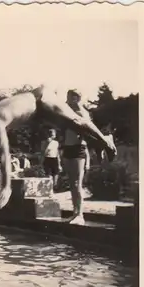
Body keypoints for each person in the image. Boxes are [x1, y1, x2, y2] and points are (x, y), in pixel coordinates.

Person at [62, 90, 91, 225]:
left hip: (78, 149)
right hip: (68, 149)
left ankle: (80, 215)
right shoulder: (67, 112)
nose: (67, 100)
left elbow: (88, 131)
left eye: (70, 97)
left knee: (77, 184)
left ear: (77, 98)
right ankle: (75, 212)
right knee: (72, 184)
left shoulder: (83, 113)